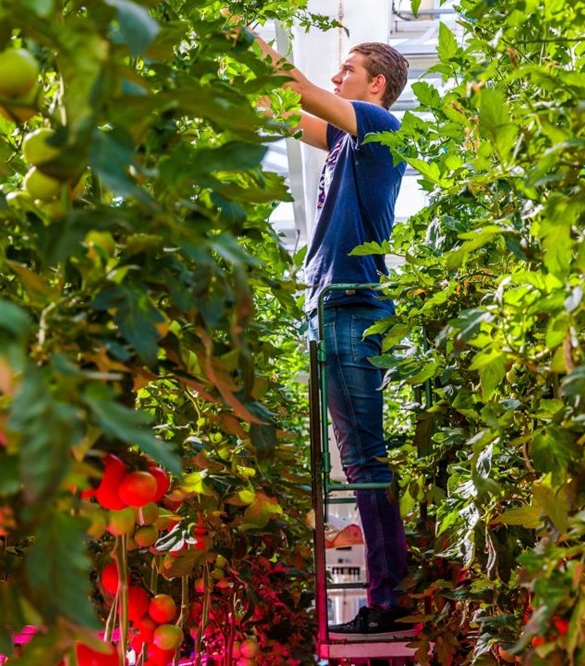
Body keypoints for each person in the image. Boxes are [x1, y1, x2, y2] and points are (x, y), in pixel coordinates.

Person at [247, 29, 412, 638]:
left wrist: (242, 35)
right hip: (335, 305)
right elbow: (283, 111)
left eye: (349, 69)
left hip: (350, 303)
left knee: (366, 459)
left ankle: (392, 598)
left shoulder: (377, 126)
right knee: (358, 457)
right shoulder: (348, 142)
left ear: (377, 86)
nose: (338, 77)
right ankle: (390, 590)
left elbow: (300, 89)